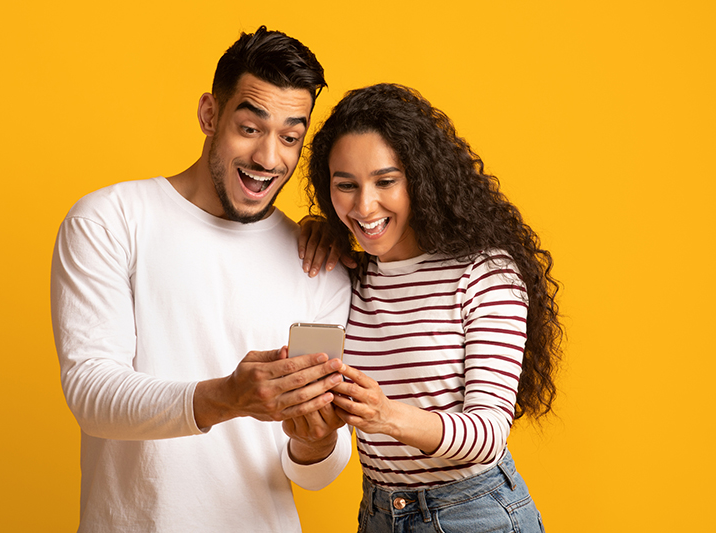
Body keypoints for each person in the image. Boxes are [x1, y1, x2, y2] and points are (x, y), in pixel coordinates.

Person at [50, 26, 353, 533]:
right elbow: (92, 394)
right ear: (210, 114)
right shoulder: (110, 220)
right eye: (250, 127)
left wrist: (318, 440)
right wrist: (226, 397)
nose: (268, 157)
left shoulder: (316, 263)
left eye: (290, 137)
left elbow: (319, 472)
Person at [304, 83, 563, 532]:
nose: (364, 205)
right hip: (379, 512)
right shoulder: (351, 275)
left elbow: (487, 434)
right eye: (346, 185)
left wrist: (386, 416)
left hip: (474, 513)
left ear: (419, 179)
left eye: (386, 181)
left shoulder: (483, 273)